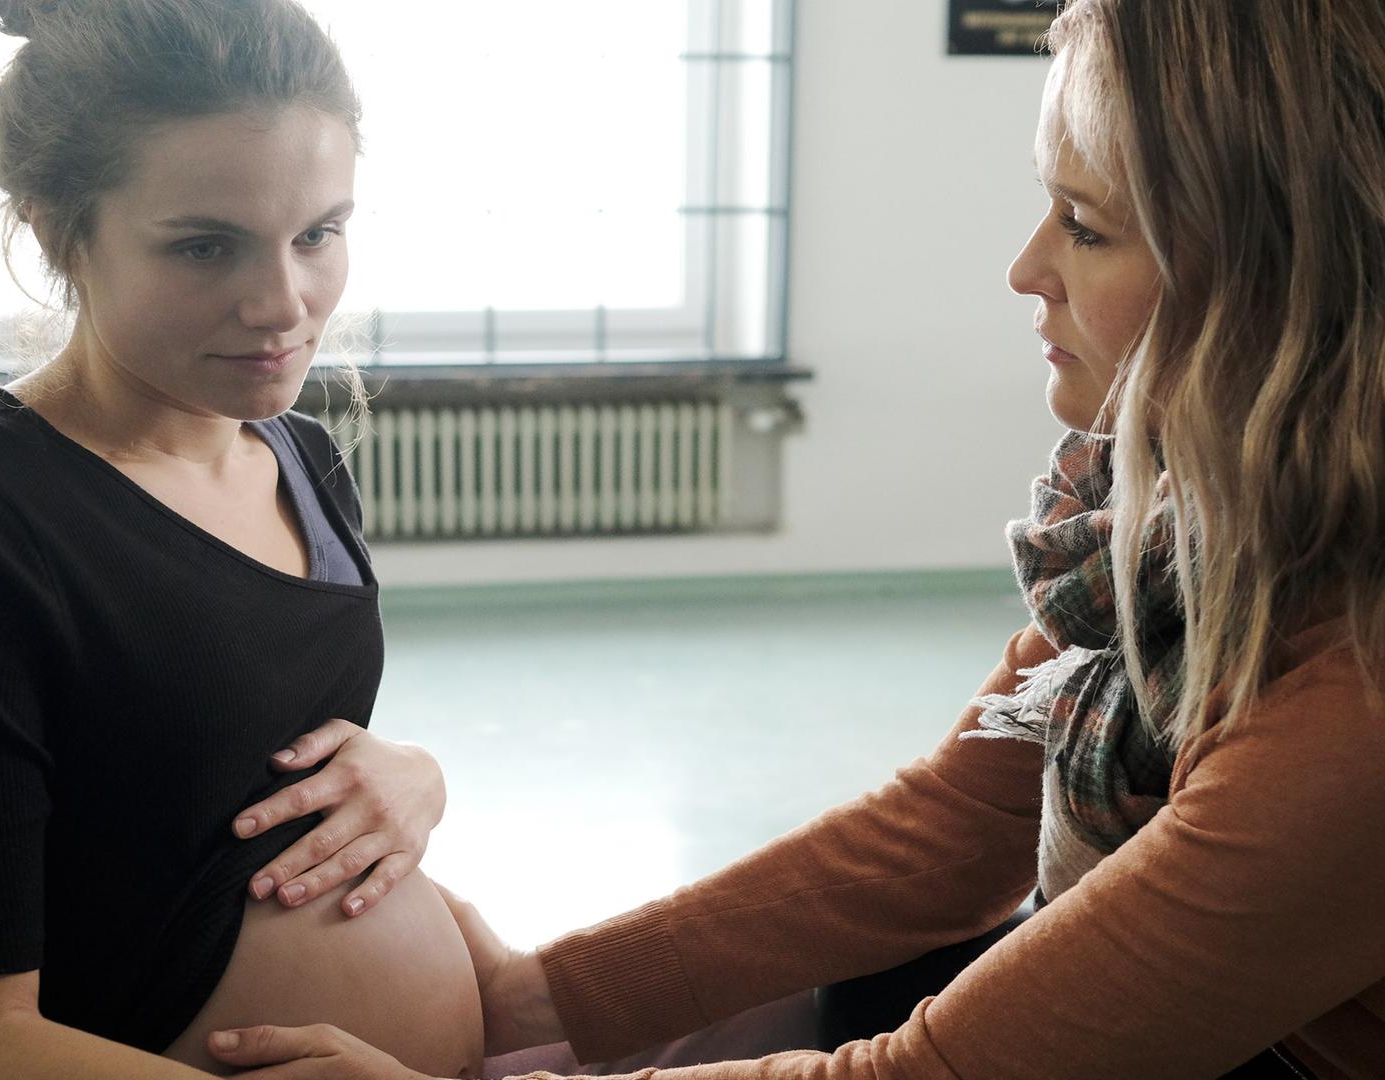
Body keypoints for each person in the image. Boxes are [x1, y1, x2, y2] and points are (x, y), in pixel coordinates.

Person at [206, 0, 1385, 1076]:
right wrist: (535, 994)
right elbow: (955, 830)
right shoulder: (1162, 531)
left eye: (1085, 226)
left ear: (1276, 279)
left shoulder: (1355, 706)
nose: (1026, 268)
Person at [0, 2, 484, 1077]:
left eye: (318, 234)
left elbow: (206, 803)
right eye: (205, 247)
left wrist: (408, 775)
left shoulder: (301, 458)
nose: (283, 304)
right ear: (55, 231)